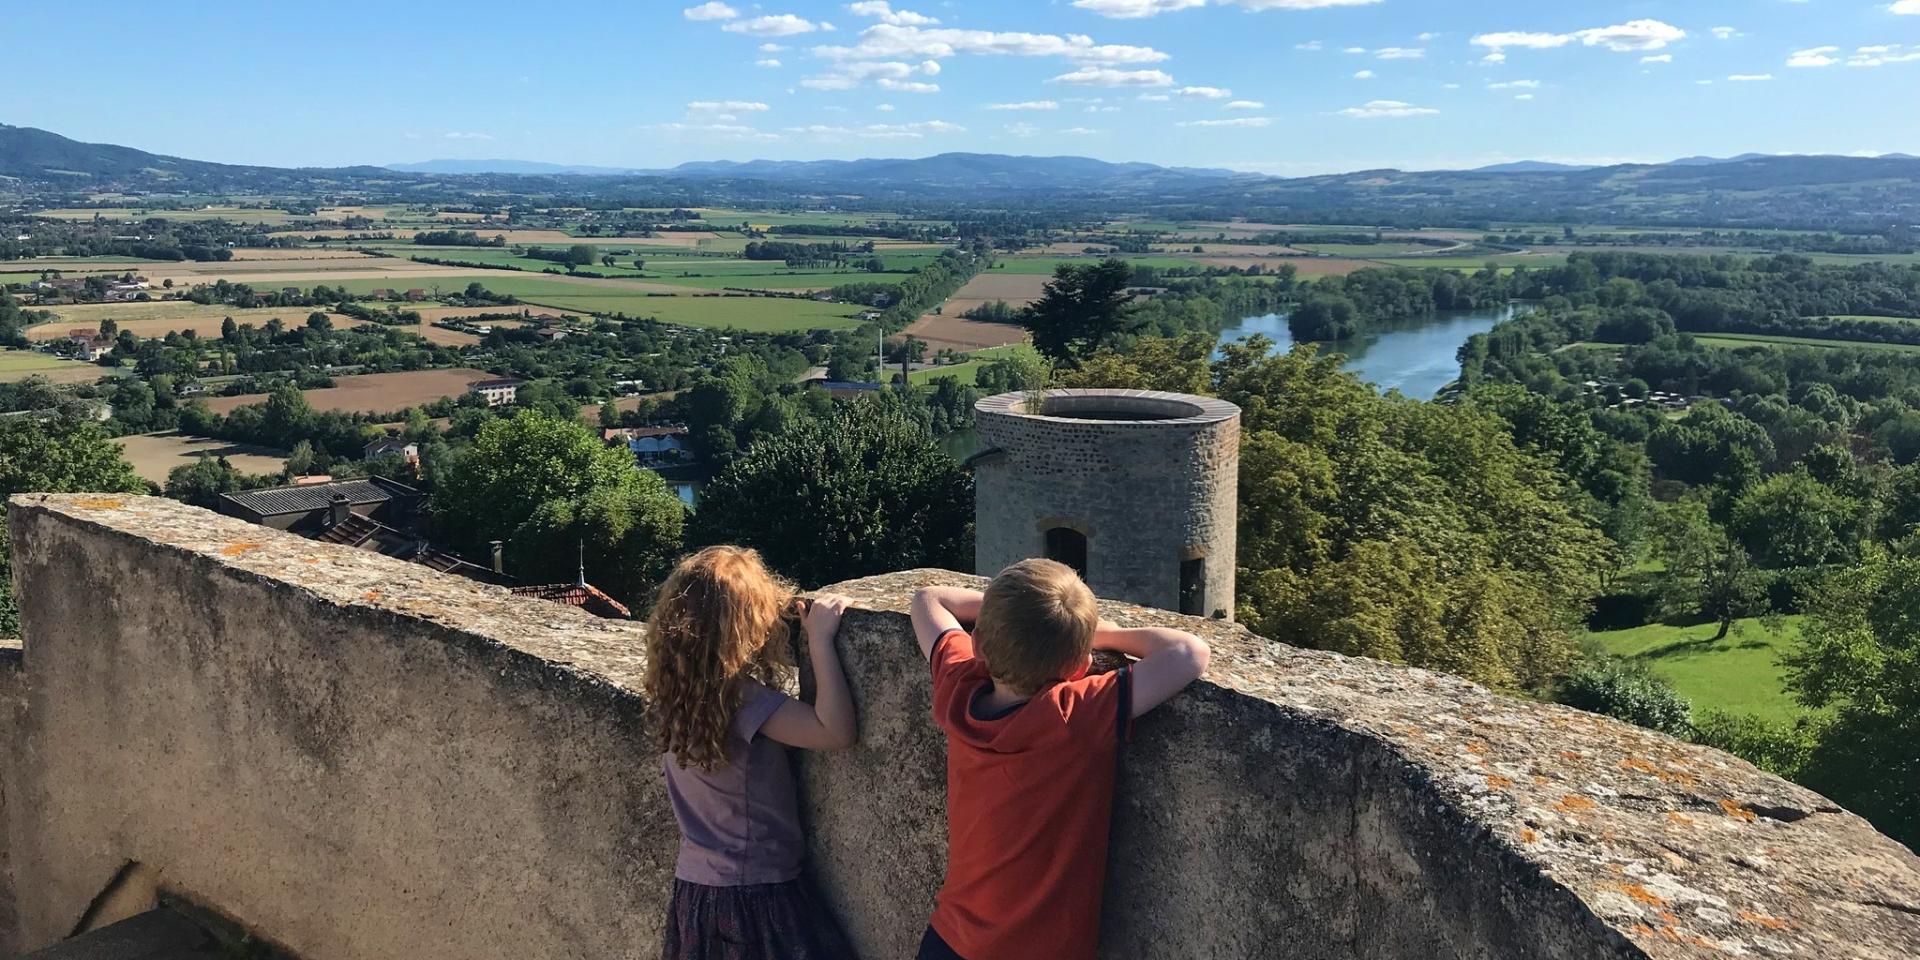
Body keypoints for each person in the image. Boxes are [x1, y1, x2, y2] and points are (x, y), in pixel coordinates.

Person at [910, 560, 1212, 960]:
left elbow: (928, 599)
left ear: (980, 643)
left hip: (952, 938)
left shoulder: (956, 685)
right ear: (1080, 666)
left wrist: (1015, 619)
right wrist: (1097, 633)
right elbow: (1189, 651)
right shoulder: (1073, 714)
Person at [643, 545, 861, 960]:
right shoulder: (743, 701)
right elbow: (836, 731)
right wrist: (820, 641)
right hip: (756, 894)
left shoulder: (672, 698)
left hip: (697, 889)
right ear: (746, 627)